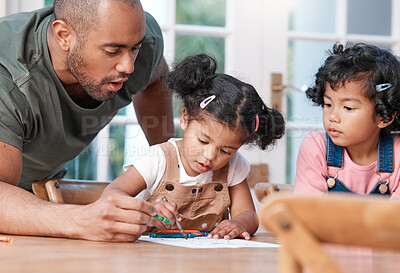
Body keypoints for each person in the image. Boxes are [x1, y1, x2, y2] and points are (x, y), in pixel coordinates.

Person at [0, 0, 174, 241]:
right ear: (64, 36)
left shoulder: (138, 38)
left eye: (135, 48)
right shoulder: (7, 78)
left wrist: (170, 168)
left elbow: (157, 76)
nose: (129, 66)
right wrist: (81, 220)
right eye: (113, 51)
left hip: (36, 203)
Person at [101, 54, 285, 240]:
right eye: (203, 141)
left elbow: (249, 215)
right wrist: (148, 211)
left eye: (225, 151)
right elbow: (112, 195)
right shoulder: (158, 159)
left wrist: (238, 224)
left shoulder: (233, 166)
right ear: (185, 118)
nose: (209, 155)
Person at [295, 43, 400, 198]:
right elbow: (309, 212)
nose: (332, 117)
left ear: (384, 116)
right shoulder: (317, 147)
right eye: (328, 104)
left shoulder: (397, 153)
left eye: (348, 108)